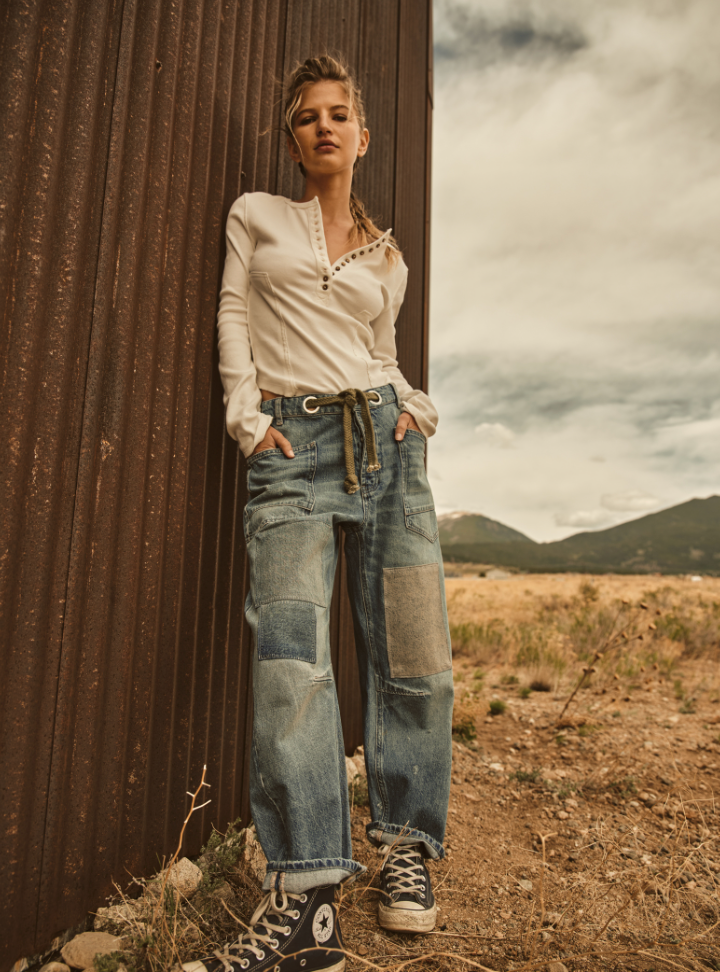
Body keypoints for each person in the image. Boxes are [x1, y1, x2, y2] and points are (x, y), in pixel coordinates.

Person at [184, 54, 454, 972]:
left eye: (341, 114)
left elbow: (381, 352)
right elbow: (232, 315)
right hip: (293, 452)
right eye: (308, 117)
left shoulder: (388, 257)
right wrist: (247, 423)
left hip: (388, 442)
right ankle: (308, 900)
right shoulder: (256, 217)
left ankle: (408, 853)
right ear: (294, 138)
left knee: (413, 656)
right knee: (293, 665)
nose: (325, 127)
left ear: (363, 137)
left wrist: (416, 408)